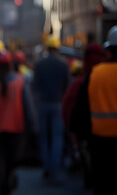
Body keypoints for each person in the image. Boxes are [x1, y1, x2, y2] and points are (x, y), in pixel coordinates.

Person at [71, 26, 117, 195]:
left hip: (99, 142)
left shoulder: (95, 74)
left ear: (109, 51)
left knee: (103, 184)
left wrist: (80, 135)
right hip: (99, 140)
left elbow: (81, 108)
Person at [0, 51, 33, 195]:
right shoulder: (21, 81)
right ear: (10, 65)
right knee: (12, 158)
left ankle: (1, 183)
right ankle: (9, 180)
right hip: (16, 128)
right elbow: (28, 106)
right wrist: (33, 126)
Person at [33, 36, 70, 183]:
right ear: (57, 48)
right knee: (56, 137)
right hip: (57, 104)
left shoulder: (39, 64)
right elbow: (67, 86)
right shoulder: (63, 65)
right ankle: (55, 168)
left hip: (43, 104)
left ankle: (47, 167)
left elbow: (35, 85)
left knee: (44, 137)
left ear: (47, 48)